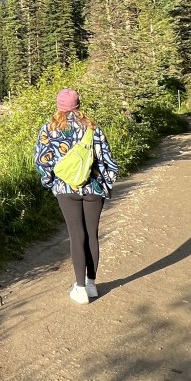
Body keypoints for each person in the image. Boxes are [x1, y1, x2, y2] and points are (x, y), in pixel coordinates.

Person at [34, 88, 118, 304]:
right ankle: (91, 286)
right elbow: (108, 161)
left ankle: (79, 288)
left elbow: (42, 162)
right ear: (78, 105)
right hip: (94, 190)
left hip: (66, 190)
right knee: (92, 234)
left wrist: (52, 184)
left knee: (76, 235)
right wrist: (105, 184)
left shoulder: (48, 129)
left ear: (59, 105)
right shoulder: (92, 128)